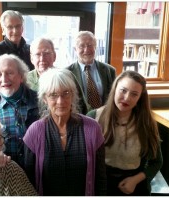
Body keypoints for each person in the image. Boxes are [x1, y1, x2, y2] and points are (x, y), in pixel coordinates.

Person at [23, 68, 107, 196]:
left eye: (66, 93)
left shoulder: (92, 129)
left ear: (73, 95)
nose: (60, 101)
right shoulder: (34, 132)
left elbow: (100, 177)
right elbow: (28, 181)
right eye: (53, 95)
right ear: (45, 98)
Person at [86, 70, 163, 195]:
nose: (127, 98)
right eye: (123, 90)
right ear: (115, 88)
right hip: (100, 183)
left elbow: (157, 162)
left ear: (140, 98)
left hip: (134, 185)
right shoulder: (93, 117)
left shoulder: (146, 123)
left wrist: (135, 180)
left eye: (134, 94)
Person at [0, 54, 39, 168]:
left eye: (9, 73)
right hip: (8, 173)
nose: (4, 79)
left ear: (21, 76)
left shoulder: (40, 102)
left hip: (38, 170)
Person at [28, 37, 89, 114]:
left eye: (46, 53)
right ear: (31, 58)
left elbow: (81, 106)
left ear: (54, 56)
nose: (42, 58)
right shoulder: (25, 80)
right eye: (37, 54)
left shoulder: (67, 76)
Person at [68, 30, 116, 109]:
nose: (86, 50)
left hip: (104, 117)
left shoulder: (110, 71)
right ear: (75, 49)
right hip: (79, 118)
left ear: (95, 47)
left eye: (90, 45)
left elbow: (114, 97)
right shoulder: (67, 72)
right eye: (81, 46)